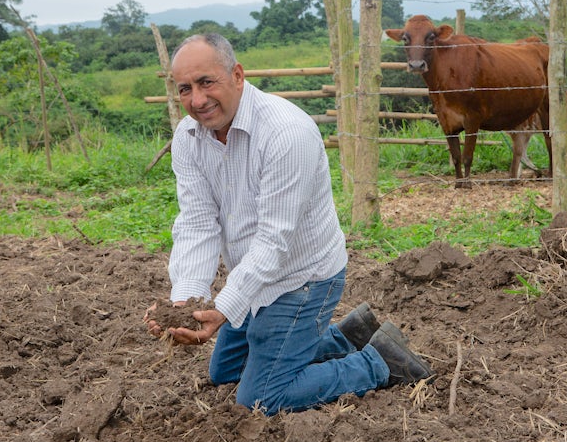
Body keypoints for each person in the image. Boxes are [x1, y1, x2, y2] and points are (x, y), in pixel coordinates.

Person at [144, 33, 433, 416]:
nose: (197, 100)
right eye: (185, 89)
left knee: (262, 398)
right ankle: (347, 336)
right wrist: (185, 302)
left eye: (206, 82)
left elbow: (274, 242)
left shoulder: (285, 133)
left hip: (302, 278)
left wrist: (225, 308)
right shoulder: (188, 137)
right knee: (225, 371)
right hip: (254, 277)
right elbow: (197, 223)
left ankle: (378, 360)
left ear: (238, 75)